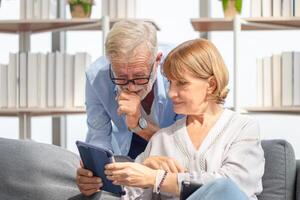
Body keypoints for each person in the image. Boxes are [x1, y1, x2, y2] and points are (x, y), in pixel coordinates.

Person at [102, 38, 265, 200]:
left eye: (181, 83)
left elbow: (232, 187)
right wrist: (145, 171)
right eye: (170, 83)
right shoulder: (162, 139)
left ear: (212, 85)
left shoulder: (243, 128)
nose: (171, 93)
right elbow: (126, 196)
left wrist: (157, 179)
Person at [77, 19, 182, 196]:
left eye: (140, 77)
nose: (131, 87)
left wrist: (138, 124)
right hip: (126, 153)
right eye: (121, 77)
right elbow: (98, 137)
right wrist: (92, 173)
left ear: (157, 61)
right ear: (111, 64)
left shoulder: (179, 68)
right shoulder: (97, 76)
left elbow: (182, 148)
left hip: (172, 157)